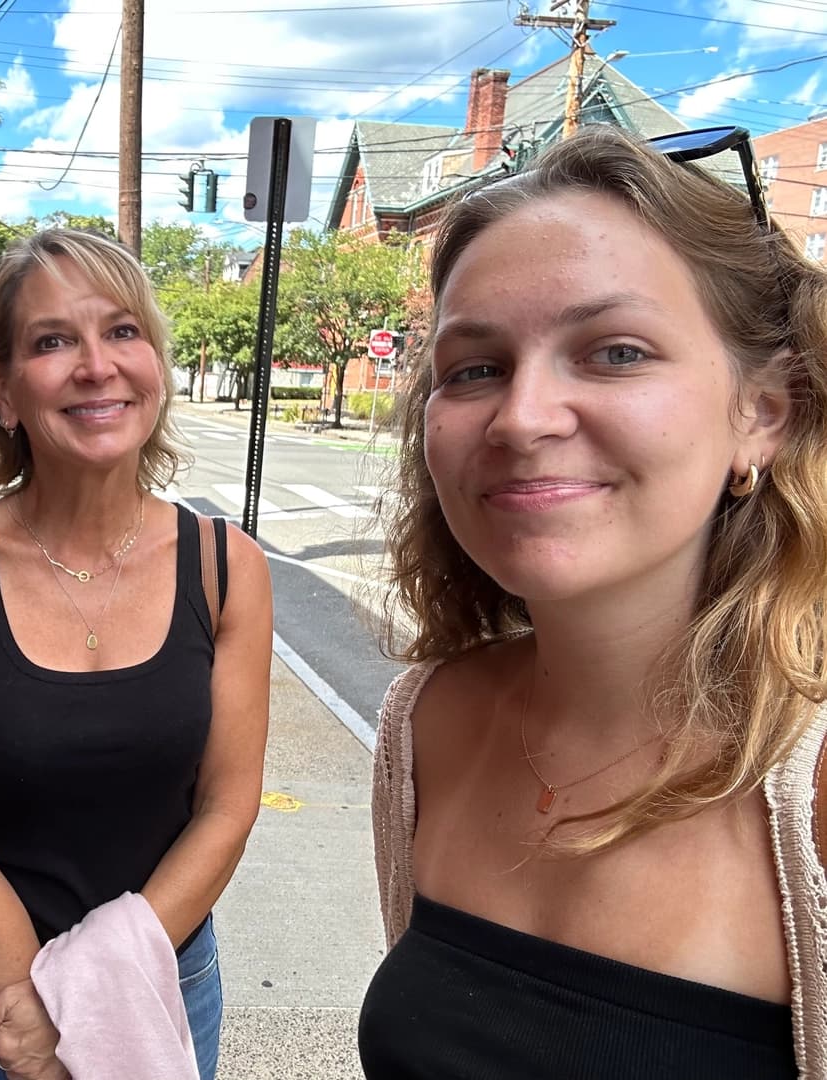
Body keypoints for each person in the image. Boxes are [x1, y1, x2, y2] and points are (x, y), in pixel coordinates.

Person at [359, 125, 827, 1079]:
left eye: (615, 352)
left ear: (763, 412)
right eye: (475, 368)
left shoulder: (810, 791)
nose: (524, 417)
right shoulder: (429, 722)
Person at [0, 227, 273, 1080]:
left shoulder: (225, 568)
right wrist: (41, 1020)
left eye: (123, 331)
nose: (96, 365)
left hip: (161, 974)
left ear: (156, 370)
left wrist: (90, 993)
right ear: (6, 392)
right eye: (53, 341)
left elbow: (227, 807)